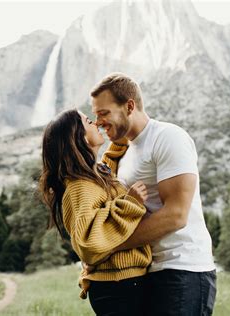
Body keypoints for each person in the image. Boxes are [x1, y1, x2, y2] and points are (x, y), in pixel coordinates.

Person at [91, 73, 217, 316]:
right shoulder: (125, 154)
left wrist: (109, 245)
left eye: (103, 113)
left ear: (129, 106)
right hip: (149, 271)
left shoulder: (168, 137)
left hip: (183, 269)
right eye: (95, 116)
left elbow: (176, 215)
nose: (98, 122)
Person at [39, 109, 152, 315]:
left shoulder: (94, 174)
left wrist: (119, 140)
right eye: (89, 122)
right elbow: (88, 242)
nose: (97, 124)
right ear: (80, 137)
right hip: (118, 287)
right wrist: (130, 204)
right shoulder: (80, 186)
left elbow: (106, 169)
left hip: (124, 283)